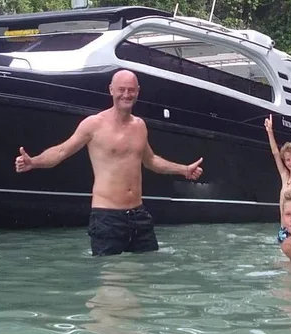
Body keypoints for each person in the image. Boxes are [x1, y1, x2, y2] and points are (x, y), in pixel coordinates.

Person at [14, 69, 204, 256]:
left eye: (131, 90)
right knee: (110, 274)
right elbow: (61, 151)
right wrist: (33, 162)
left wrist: (184, 169)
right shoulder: (94, 124)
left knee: (148, 271)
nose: (126, 94)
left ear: (138, 91)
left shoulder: (140, 126)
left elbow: (151, 160)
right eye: (121, 89)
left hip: (138, 215)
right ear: (111, 90)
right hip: (107, 217)